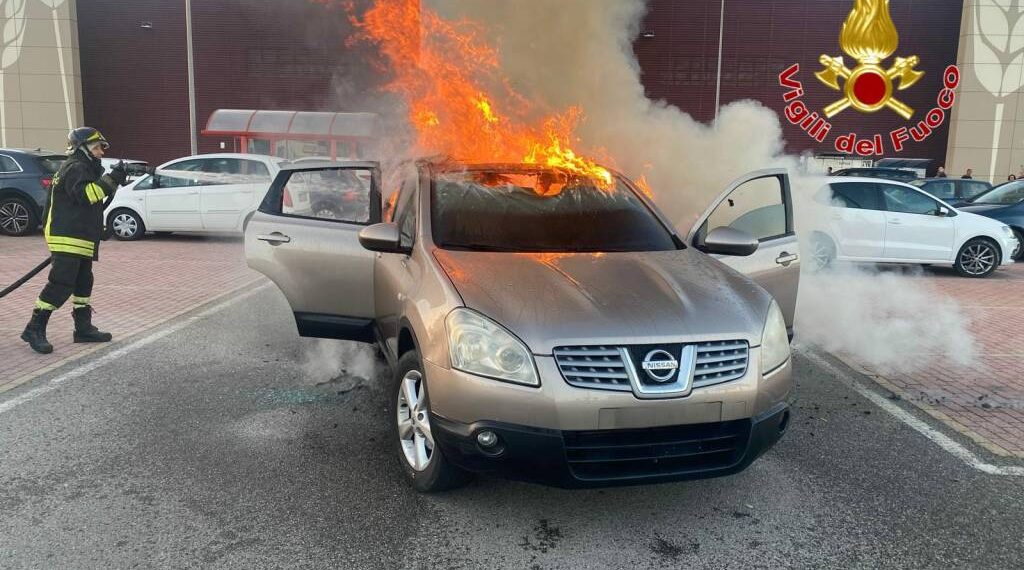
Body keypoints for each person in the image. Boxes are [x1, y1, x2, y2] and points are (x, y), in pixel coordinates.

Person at [20, 127, 130, 354]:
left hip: (79, 235)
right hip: (66, 236)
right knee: (60, 284)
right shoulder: (75, 167)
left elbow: (84, 207)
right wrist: (112, 179)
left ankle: (83, 328)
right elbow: (87, 195)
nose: (101, 152)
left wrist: (98, 229)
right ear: (83, 148)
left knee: (83, 283)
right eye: (97, 147)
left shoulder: (85, 167)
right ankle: (34, 328)